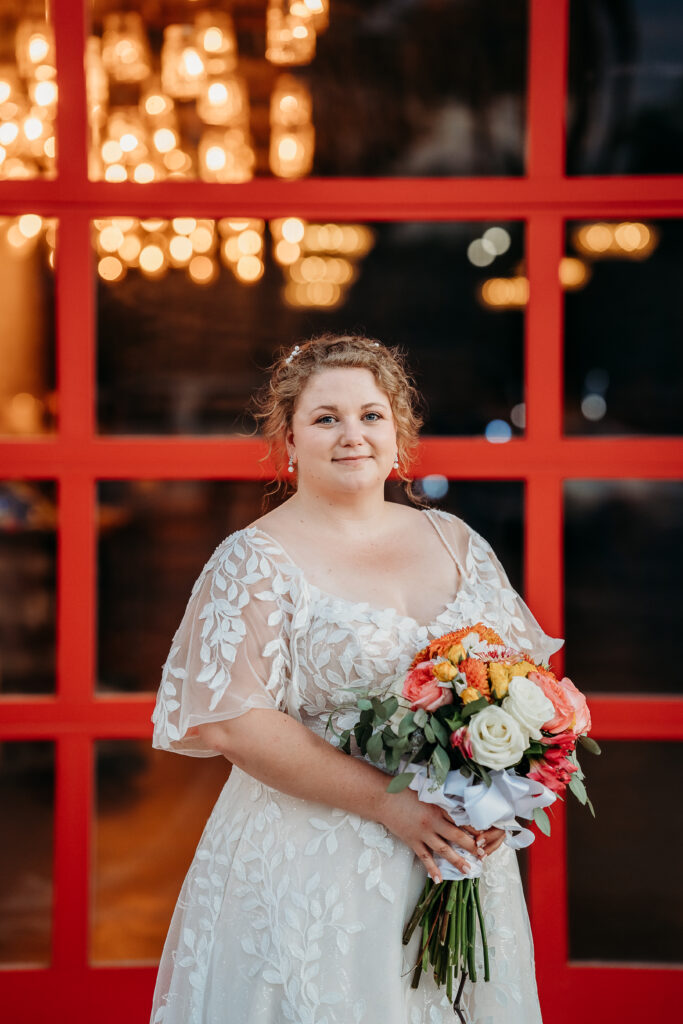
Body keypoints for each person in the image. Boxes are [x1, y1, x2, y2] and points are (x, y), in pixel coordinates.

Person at [150, 333, 564, 1024]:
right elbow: (232, 719)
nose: (352, 436)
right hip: (313, 862)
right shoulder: (253, 560)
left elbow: (521, 687)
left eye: (371, 416)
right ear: (288, 440)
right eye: (325, 418)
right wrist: (388, 804)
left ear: (398, 432)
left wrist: (502, 800)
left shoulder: (453, 540)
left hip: (453, 857)